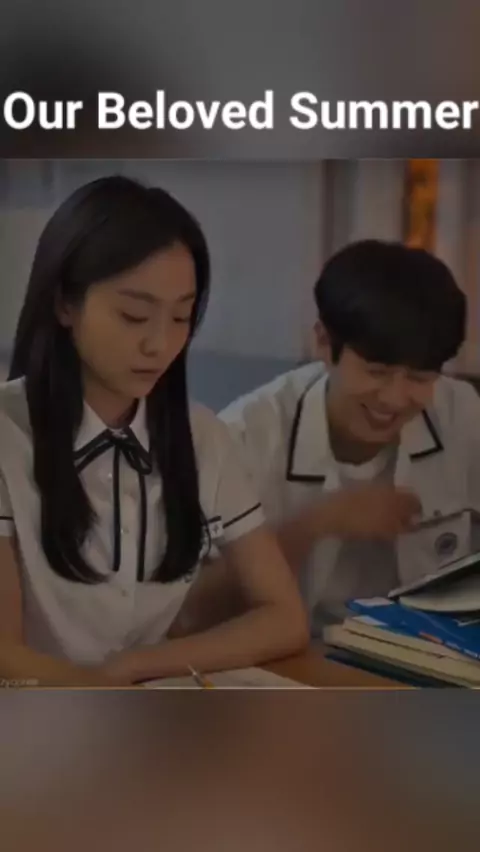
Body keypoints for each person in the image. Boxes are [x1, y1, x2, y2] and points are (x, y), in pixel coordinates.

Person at [0, 175, 308, 687]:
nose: (159, 344)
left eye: (181, 317)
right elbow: (4, 654)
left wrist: (135, 666)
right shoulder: (8, 434)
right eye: (134, 315)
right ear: (64, 303)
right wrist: (105, 694)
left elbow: (283, 617)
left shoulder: (202, 435)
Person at [212, 239, 480, 633]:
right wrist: (317, 523)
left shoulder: (463, 413)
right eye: (376, 371)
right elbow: (190, 612)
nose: (394, 398)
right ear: (324, 341)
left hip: (433, 651)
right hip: (296, 654)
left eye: (420, 377)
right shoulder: (245, 436)